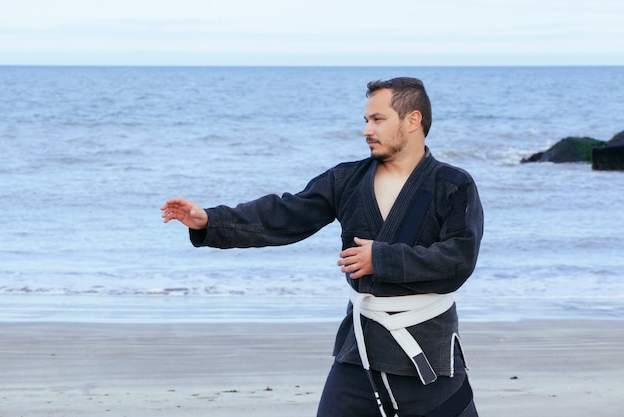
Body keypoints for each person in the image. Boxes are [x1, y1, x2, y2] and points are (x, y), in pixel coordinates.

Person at [161, 77, 483, 417]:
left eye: (378, 119)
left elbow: (458, 259)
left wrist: (382, 259)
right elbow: (284, 216)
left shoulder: (453, 185)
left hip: (428, 353)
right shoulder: (347, 180)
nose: (367, 130)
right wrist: (209, 220)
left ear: (412, 120)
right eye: (366, 120)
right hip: (361, 351)